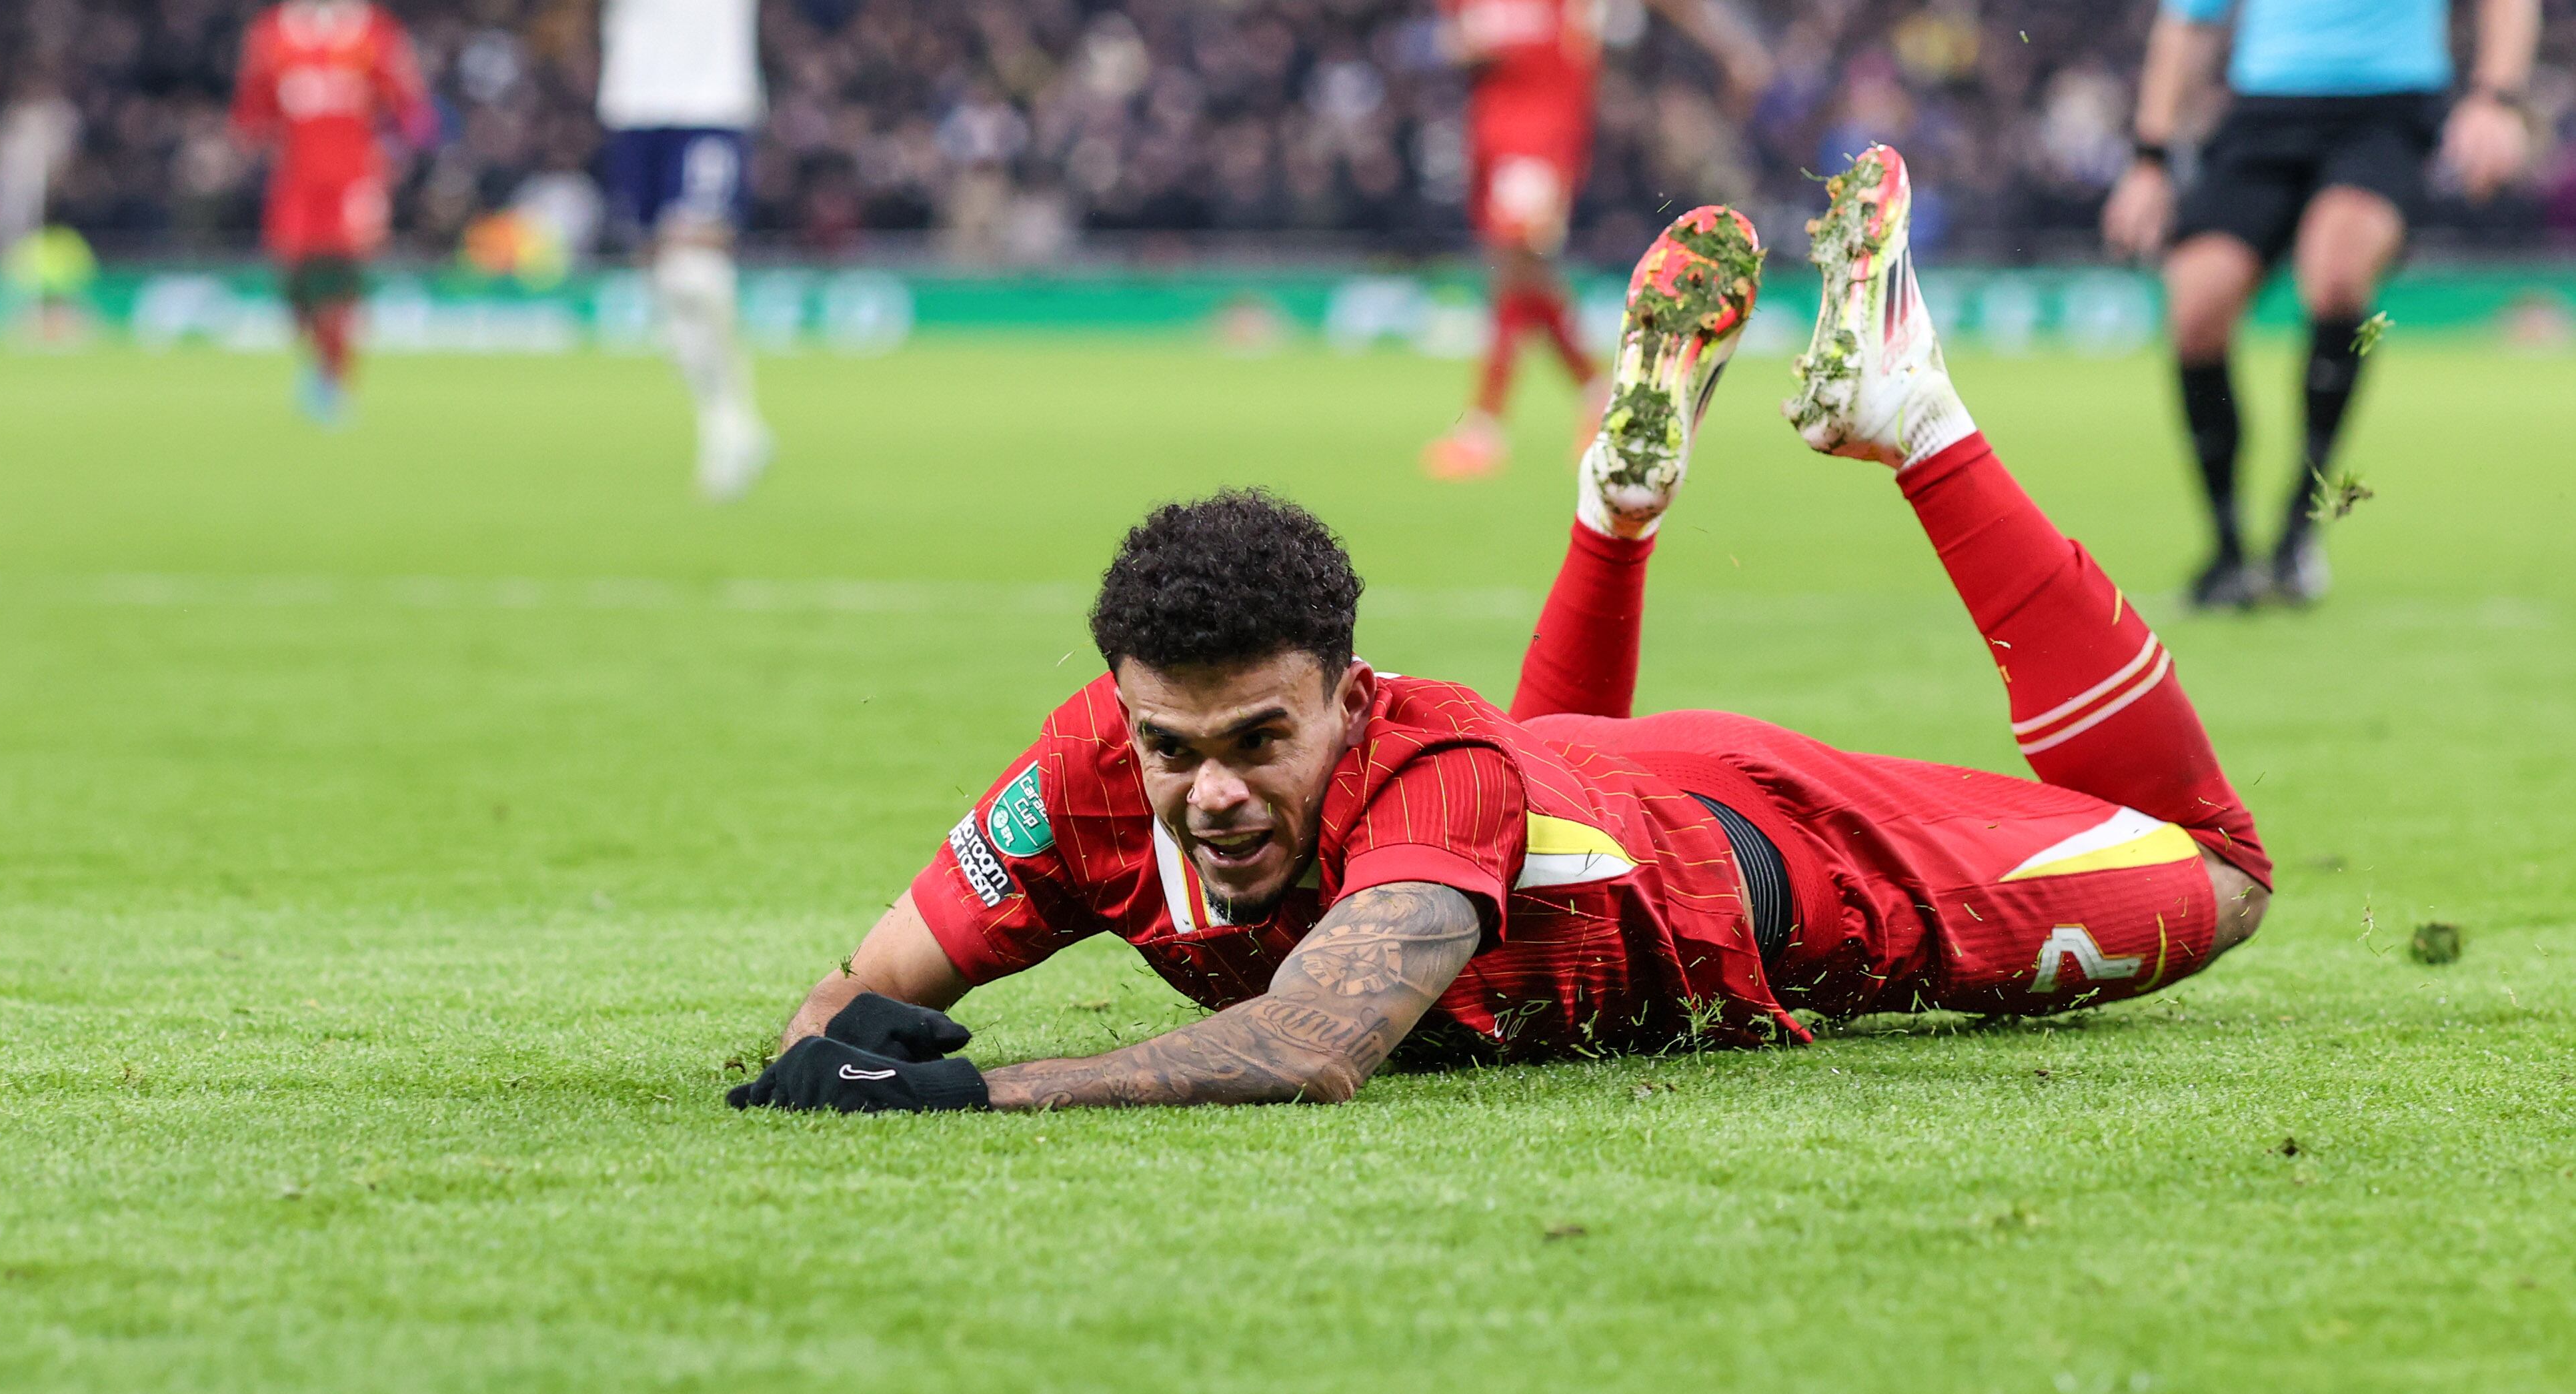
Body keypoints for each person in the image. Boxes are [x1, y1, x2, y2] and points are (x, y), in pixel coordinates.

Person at [731, 148, 2272, 1117]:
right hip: (1568, 783)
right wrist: (821, 1052)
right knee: (1537, 785)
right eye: (1169, 748)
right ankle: (1612, 507)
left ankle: (1914, 419)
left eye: (1258, 741)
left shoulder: (1434, 762)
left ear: (1347, 698)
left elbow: (1305, 1049)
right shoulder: (1080, 776)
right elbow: (867, 984)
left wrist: (976, 1097)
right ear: (1116, 715)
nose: (1205, 792)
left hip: (1776, 860)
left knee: (2216, 876)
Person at [2102, 0, 2538, 608]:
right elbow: (2187, 23)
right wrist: (2148, 160)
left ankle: (2296, 533)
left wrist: (2497, 97)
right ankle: (2227, 553)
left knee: (2336, 274)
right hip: (2263, 112)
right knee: (2194, 308)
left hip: (2386, 111)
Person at [1421, 0, 1771, 482]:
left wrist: (1733, 48)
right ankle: (1597, 396)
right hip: (1488, 130)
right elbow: (1455, 39)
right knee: (1519, 271)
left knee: (1516, 262)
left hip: (1543, 131)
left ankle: (1486, 426)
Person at [599, 0, 775, 502]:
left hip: (708, 102)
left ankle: (728, 428)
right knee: (666, 286)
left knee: (693, 272)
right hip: (633, 103)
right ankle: (731, 422)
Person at [230, 0, 436, 425]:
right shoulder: (272, 34)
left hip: (352, 179)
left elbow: (408, 103)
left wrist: (403, 150)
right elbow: (253, 109)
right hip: (296, 181)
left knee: (340, 285)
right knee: (295, 285)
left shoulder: (374, 32)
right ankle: (320, 362)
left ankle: (335, 381)